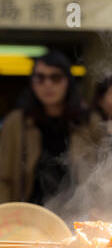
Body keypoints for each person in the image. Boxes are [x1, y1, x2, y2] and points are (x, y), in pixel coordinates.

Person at [0, 50, 88, 207]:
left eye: (55, 77)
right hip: (29, 214)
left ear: (68, 81)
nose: (48, 84)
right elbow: (4, 177)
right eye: (40, 78)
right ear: (32, 82)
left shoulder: (85, 121)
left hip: (77, 212)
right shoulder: (16, 122)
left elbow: (99, 170)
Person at [69, 74, 112, 222]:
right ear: (100, 99)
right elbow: (82, 168)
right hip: (93, 207)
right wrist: (108, 189)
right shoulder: (85, 127)